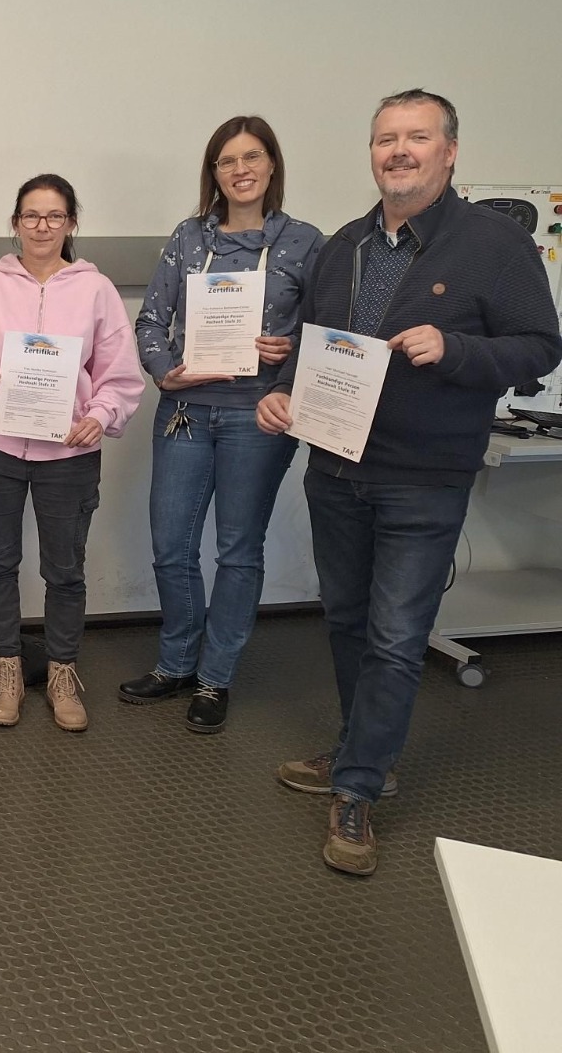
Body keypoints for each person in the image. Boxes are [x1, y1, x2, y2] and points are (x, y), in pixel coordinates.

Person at [257, 89, 562, 876]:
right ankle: (358, 751)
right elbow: (313, 345)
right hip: (335, 466)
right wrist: (281, 391)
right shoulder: (345, 246)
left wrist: (456, 351)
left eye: (417, 137)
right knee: (347, 622)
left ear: (449, 151)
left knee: (396, 637)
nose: (398, 150)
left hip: (423, 478)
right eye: (386, 138)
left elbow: (541, 345)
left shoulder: (494, 244)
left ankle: (359, 787)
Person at [122, 118, 324, 733]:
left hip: (258, 416)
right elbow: (151, 321)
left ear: (272, 164)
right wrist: (165, 372)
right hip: (186, 411)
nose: (241, 170)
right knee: (171, 545)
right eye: (227, 161)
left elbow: (325, 334)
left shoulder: (306, 242)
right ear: (214, 172)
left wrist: (290, 350)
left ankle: (215, 677)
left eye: (252, 157)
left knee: (237, 550)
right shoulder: (188, 238)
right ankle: (177, 662)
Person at [0, 175, 145, 732]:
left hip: (69, 452)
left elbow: (120, 374)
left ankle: (61, 673)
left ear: (71, 223)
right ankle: (7, 668)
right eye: (31, 216)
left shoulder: (96, 290)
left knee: (65, 569)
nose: (42, 226)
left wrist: (99, 416)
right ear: (15, 223)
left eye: (54, 216)